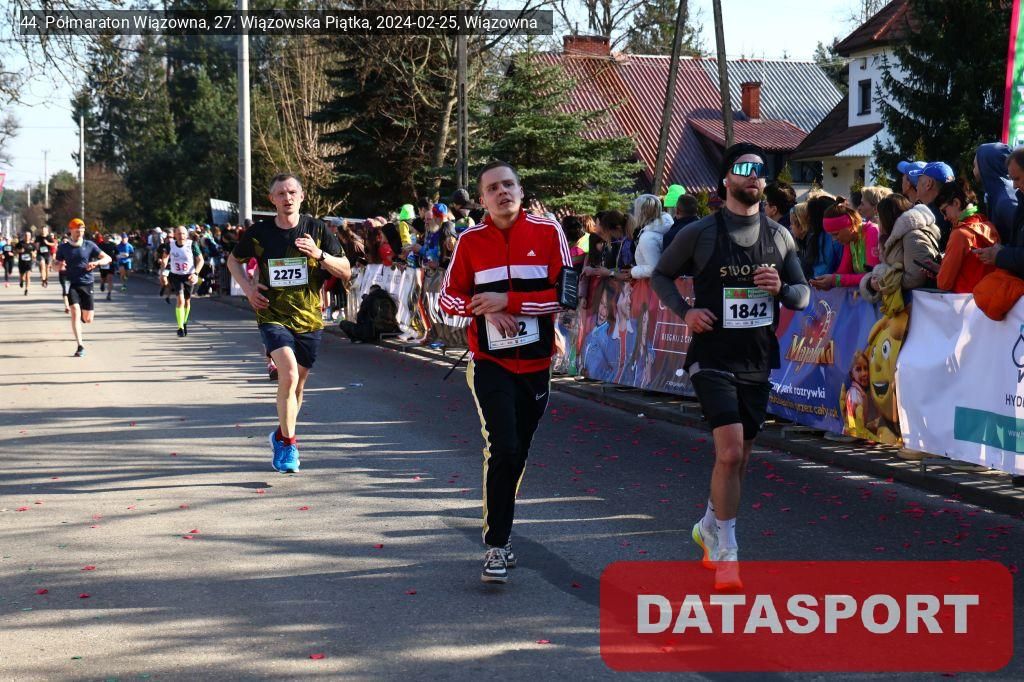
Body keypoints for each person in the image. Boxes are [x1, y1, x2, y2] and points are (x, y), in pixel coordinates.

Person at [651, 142, 810, 591]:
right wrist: (686, 313)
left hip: (756, 358)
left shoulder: (779, 237)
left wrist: (781, 289)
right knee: (730, 452)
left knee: (741, 458)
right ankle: (727, 552)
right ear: (726, 180)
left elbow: (802, 294)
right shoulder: (700, 232)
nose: (753, 176)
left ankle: (708, 524)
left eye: (760, 169)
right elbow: (661, 275)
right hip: (712, 356)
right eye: (743, 168)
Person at [439, 160, 572, 584]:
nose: (502, 192)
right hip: (490, 362)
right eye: (493, 188)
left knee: (519, 451)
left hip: (536, 364)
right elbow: (447, 299)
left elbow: (567, 295)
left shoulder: (549, 232)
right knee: (504, 446)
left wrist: (509, 302)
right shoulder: (470, 241)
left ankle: (502, 533)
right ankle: (497, 544)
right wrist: (484, 308)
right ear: (482, 199)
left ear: (520, 190)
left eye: (509, 184)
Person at [227, 173, 350, 474]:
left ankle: (281, 435)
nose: (287, 198)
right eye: (281, 193)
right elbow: (233, 260)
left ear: (302, 196)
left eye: (292, 192)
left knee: (298, 385)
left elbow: (345, 269)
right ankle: (289, 445)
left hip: (309, 317)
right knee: (290, 373)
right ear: (272, 200)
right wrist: (249, 290)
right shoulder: (259, 232)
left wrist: (319, 254)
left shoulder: (317, 229)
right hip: (272, 314)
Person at [861, 194, 940, 303]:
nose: (877, 220)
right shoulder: (896, 236)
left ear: (888, 217)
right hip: (905, 303)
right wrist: (875, 280)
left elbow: (915, 278)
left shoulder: (913, 236)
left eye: (879, 216)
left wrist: (885, 281)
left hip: (915, 304)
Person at [54, 219, 111, 357]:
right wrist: (58, 266)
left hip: (87, 283)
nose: (80, 232)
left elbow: (107, 258)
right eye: (77, 230)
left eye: (82, 230)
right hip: (71, 283)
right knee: (74, 311)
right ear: (71, 231)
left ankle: (83, 318)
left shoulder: (89, 245)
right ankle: (80, 346)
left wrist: (96, 263)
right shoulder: (63, 247)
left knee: (88, 319)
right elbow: (55, 265)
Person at [935, 179, 999, 293]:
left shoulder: (960, 234)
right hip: (988, 295)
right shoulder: (987, 224)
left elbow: (944, 283)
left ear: (956, 203)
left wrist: (939, 273)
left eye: (944, 211)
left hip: (965, 300)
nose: (945, 218)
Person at [809, 199, 880, 290]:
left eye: (836, 234)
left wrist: (834, 280)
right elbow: (843, 271)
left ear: (849, 226)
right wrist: (826, 282)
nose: (834, 239)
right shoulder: (850, 239)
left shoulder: (871, 232)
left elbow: (872, 276)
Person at [167, 225, 205, 337]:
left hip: (189, 276)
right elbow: (164, 259)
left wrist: (195, 273)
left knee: (187, 301)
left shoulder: (192, 245)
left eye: (183, 233)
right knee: (180, 300)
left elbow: (201, 260)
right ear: (175, 235)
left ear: (186, 235)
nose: (181, 236)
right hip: (175, 276)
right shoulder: (170, 245)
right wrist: (163, 273)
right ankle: (180, 327)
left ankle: (184, 321)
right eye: (178, 233)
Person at [908, 161, 955, 250]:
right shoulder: (956, 211)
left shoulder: (925, 217)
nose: (916, 186)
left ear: (928, 184)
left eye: (919, 180)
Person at [629, 194, 674, 279]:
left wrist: (633, 271)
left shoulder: (648, 237)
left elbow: (654, 269)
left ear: (641, 213)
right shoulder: (665, 227)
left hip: (653, 284)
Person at [14, 230, 37, 295]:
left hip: (29, 262)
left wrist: (33, 254)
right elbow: (14, 251)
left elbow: (35, 253)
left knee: (28, 276)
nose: (27, 237)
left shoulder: (32, 244)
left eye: (28, 235)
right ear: (24, 236)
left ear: (30, 236)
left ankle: (27, 289)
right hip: (22, 262)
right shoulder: (20, 243)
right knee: (22, 276)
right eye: (26, 235)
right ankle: (21, 280)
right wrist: (19, 251)